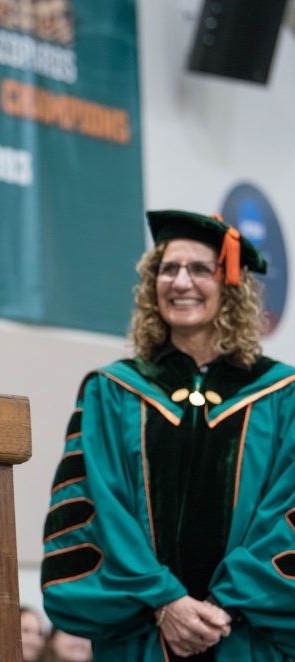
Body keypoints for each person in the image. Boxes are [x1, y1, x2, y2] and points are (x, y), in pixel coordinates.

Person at [41, 210, 295, 660]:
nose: (180, 282)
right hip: (142, 640)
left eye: (199, 269)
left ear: (230, 284)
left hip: (247, 642)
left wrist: (224, 605)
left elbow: (287, 512)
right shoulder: (112, 392)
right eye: (168, 268)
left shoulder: (282, 395)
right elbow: (98, 508)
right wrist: (165, 602)